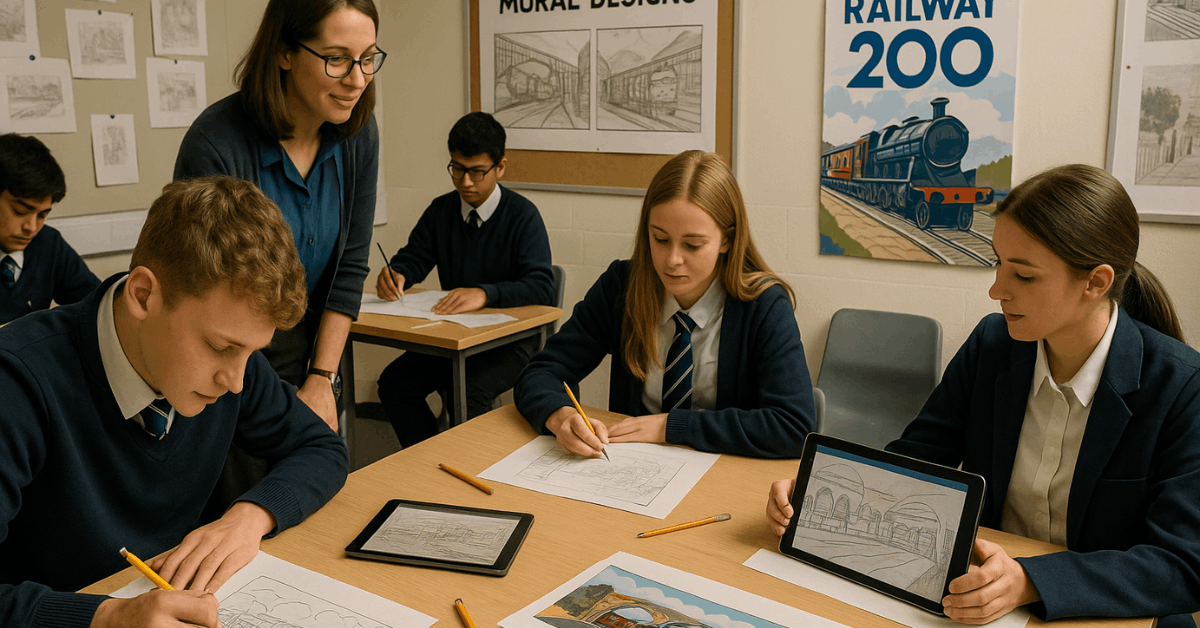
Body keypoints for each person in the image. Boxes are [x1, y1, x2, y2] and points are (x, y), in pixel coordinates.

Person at [766, 164, 1200, 626]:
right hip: (984, 599)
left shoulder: (1182, 387)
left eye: (1024, 276)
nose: (996, 290)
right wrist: (820, 490)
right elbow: (917, 459)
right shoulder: (992, 345)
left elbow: (1182, 564)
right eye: (997, 263)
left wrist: (1031, 581)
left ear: (1096, 282)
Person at [0, 176, 348, 627]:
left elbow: (322, 447)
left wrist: (249, 517)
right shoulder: (17, 382)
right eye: (221, 347)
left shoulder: (231, 356)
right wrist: (105, 618)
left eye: (252, 353)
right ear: (143, 295)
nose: (237, 382)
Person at [514, 150, 814, 459]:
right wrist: (559, 414)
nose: (672, 261)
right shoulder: (622, 286)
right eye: (660, 239)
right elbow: (542, 372)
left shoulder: (763, 306)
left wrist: (672, 427)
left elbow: (793, 426)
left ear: (727, 240)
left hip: (723, 475)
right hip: (629, 471)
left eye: (692, 245)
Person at [174, 0, 383, 429]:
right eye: (337, 60)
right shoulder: (216, 144)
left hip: (318, 351)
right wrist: (286, 407)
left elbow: (350, 267)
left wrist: (322, 377)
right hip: (233, 360)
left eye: (367, 59)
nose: (357, 80)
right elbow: (211, 300)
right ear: (284, 53)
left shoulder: (358, 135)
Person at [375, 111, 555, 447]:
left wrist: (485, 294)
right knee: (395, 384)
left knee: (468, 390)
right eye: (457, 169)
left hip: (511, 344)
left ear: (500, 167)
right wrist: (396, 274)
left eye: (476, 172)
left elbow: (542, 286)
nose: (465, 182)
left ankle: (471, 471)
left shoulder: (523, 216)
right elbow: (414, 257)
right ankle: (428, 458)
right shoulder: (441, 210)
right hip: (454, 340)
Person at [0, 133, 99, 324]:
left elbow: (95, 303)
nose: (31, 227)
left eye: (42, 215)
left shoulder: (47, 243)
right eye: (20, 211)